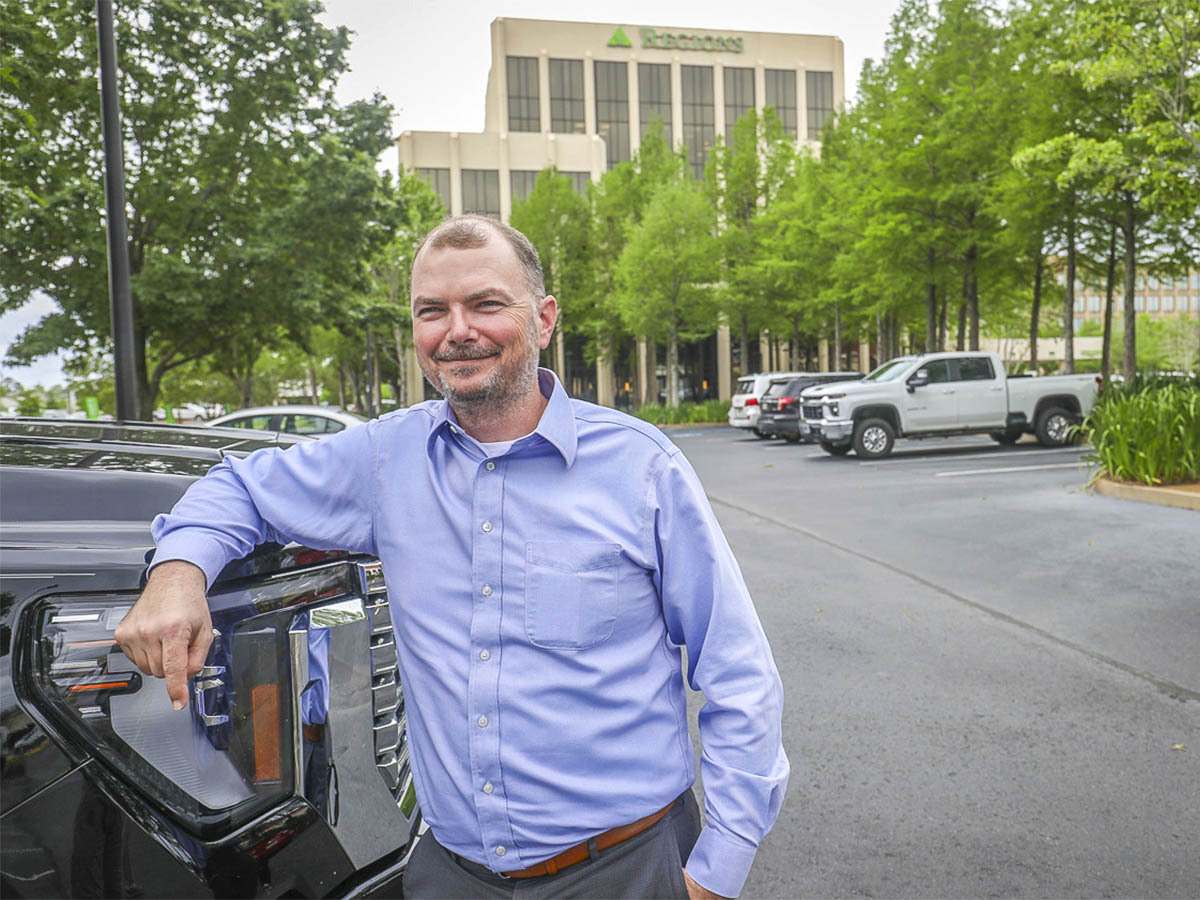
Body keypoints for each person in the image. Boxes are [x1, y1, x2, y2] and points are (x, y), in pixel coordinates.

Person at [115, 215, 788, 899]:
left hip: (627, 869)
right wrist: (177, 573)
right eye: (431, 311)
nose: (456, 330)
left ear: (545, 318)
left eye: (486, 304)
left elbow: (737, 673)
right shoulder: (383, 461)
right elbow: (237, 486)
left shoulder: (643, 468)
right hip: (449, 874)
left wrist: (716, 871)